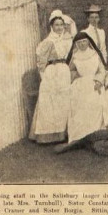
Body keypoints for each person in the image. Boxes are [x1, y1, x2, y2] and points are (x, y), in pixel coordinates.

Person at [28, 9, 73, 144]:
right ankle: (49, 135)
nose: (59, 27)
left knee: (64, 100)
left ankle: (63, 133)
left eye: (61, 25)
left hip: (64, 70)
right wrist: (44, 77)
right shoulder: (47, 42)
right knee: (50, 102)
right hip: (51, 72)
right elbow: (41, 62)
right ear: (52, 26)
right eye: (56, 25)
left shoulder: (68, 40)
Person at [67, 31, 107, 142]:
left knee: (95, 103)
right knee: (79, 105)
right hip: (80, 84)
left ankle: (94, 133)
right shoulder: (75, 56)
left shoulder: (95, 54)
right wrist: (76, 76)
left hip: (94, 83)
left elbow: (102, 70)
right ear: (76, 44)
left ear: (89, 42)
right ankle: (79, 136)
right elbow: (70, 71)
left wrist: (99, 81)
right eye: (79, 42)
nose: (82, 44)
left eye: (84, 41)